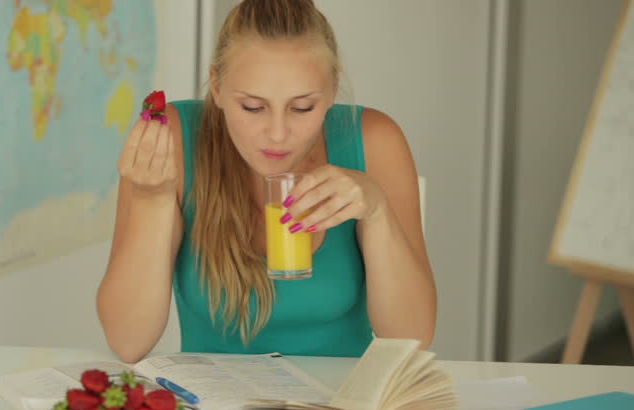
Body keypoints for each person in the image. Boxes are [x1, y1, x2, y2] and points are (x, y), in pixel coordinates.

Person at [97, 0, 436, 362]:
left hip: (340, 407)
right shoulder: (174, 138)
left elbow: (411, 340)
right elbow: (127, 341)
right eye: (253, 108)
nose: (277, 134)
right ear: (217, 86)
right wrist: (152, 200)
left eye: (302, 107)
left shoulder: (373, 140)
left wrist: (377, 211)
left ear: (333, 90)